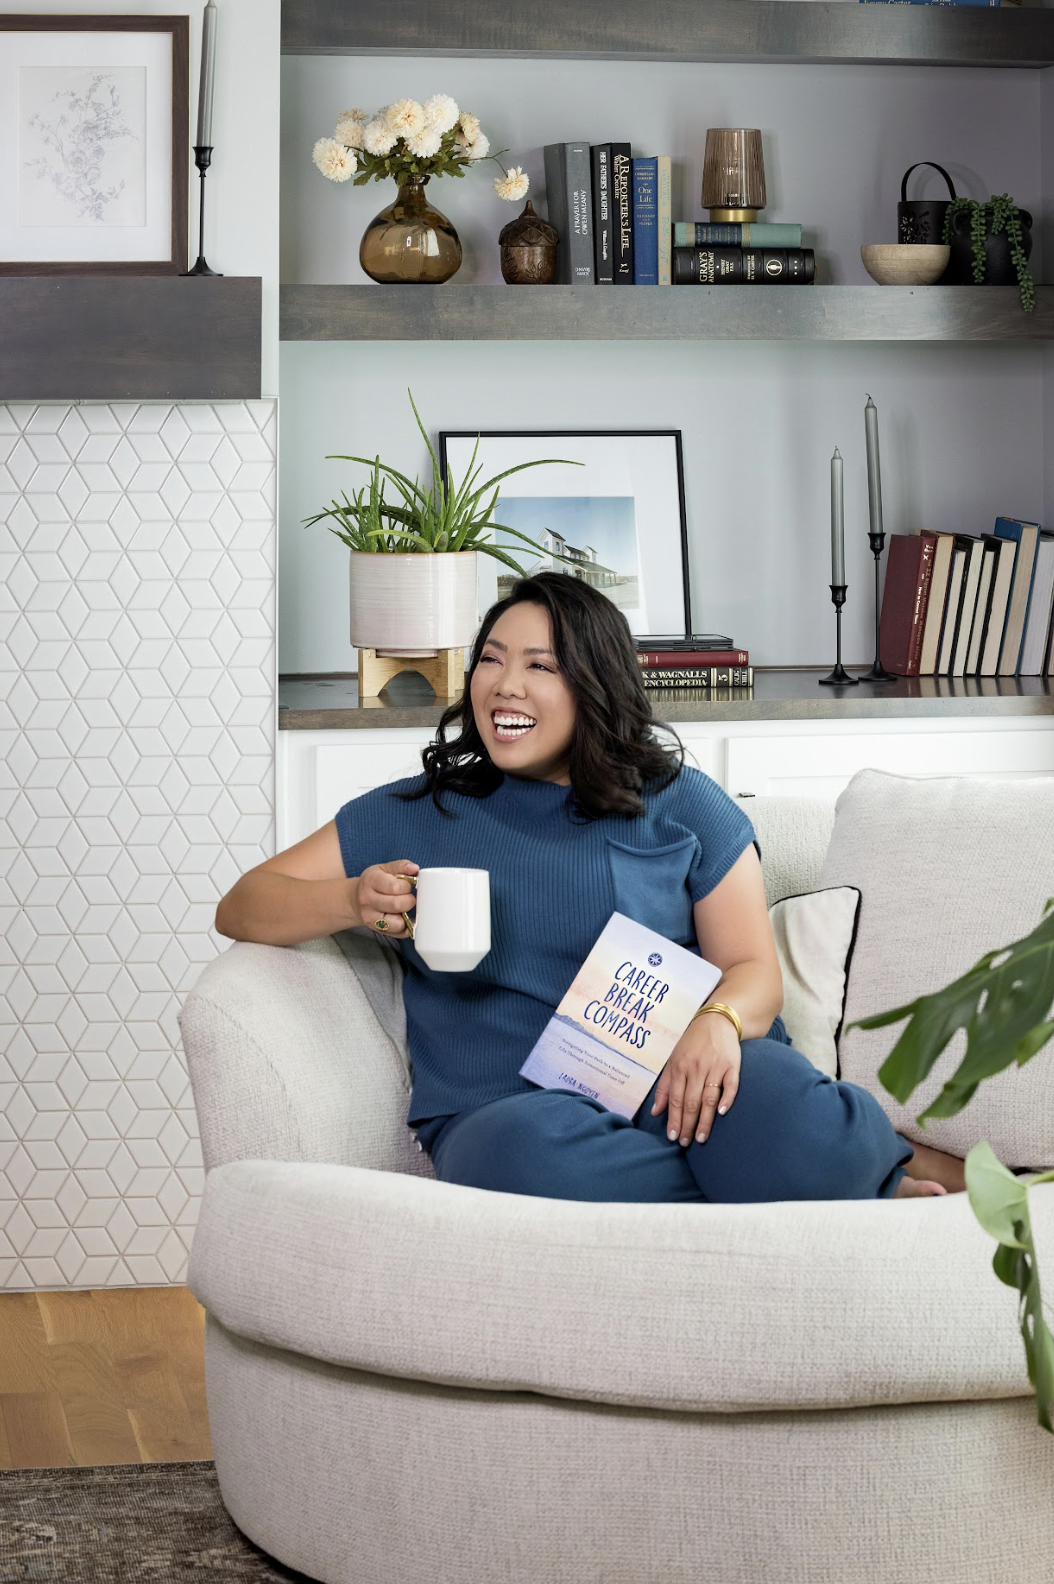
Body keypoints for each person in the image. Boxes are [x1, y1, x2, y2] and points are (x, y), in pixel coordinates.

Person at [217, 572, 966, 1202]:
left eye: (541, 666)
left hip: (684, 1081)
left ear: (594, 686)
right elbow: (243, 904)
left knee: (773, 1108)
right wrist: (350, 900)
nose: (506, 686)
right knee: (519, 1165)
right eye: (492, 660)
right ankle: (830, 1178)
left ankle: (814, 1160)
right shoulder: (415, 812)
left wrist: (720, 1023)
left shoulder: (681, 801)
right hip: (513, 1112)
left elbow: (753, 970)